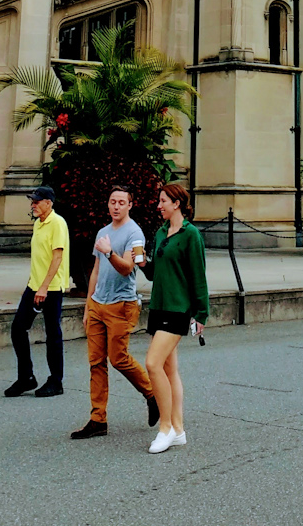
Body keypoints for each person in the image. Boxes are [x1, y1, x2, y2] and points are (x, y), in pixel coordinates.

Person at [71, 186, 159, 440]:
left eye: (121, 202)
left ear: (130, 205)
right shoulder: (103, 232)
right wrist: (88, 306)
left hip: (122, 304)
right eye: (112, 201)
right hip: (99, 303)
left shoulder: (134, 233)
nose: (116, 206)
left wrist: (110, 252)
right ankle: (98, 419)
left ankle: (152, 394)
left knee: (118, 358)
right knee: (96, 363)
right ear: (108, 205)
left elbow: (127, 268)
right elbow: (96, 271)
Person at [142, 183, 209, 454]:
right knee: (169, 370)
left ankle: (165, 428)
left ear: (176, 204)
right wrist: (142, 263)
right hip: (158, 307)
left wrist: (201, 312)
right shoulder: (160, 233)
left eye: (163, 201)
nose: (159, 206)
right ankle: (179, 430)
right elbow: (155, 273)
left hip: (178, 309)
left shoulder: (191, 235)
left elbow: (198, 275)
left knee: (152, 363)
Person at [6, 187, 69, 398]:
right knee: (18, 329)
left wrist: (44, 287)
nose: (33, 204)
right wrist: (34, 283)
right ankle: (26, 378)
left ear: (48, 203)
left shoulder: (57, 223)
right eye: (32, 201)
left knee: (53, 334)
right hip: (34, 285)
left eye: (37, 201)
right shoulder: (38, 224)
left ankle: (56, 381)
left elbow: (57, 257)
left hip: (50, 288)